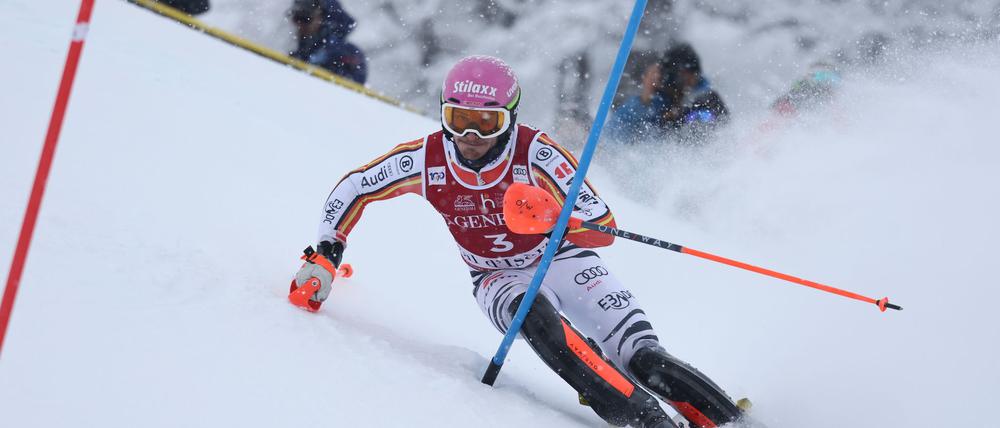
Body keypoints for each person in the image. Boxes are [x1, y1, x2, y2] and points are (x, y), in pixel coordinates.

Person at [290, 55, 746, 428]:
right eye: (458, 120)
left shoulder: (537, 152)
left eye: (485, 124)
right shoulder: (427, 159)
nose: (469, 137)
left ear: (508, 118)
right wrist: (327, 254)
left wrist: (554, 222)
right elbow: (355, 187)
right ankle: (646, 422)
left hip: (563, 258)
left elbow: (601, 223)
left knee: (644, 360)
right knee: (536, 317)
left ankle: (732, 423)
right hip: (495, 275)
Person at [288, 0, 367, 85]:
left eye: (305, 19)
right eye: (296, 18)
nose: (299, 25)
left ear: (323, 19)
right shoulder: (298, 55)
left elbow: (351, 88)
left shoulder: (348, 54)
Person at [659, 43, 729, 137]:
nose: (684, 80)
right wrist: (644, 100)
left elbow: (717, 129)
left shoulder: (709, 98)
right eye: (679, 75)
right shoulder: (662, 98)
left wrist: (679, 116)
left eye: (686, 74)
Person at [607, 53, 671, 144]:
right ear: (643, 77)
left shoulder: (664, 104)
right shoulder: (630, 107)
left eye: (659, 75)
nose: (656, 78)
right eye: (653, 74)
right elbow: (612, 133)